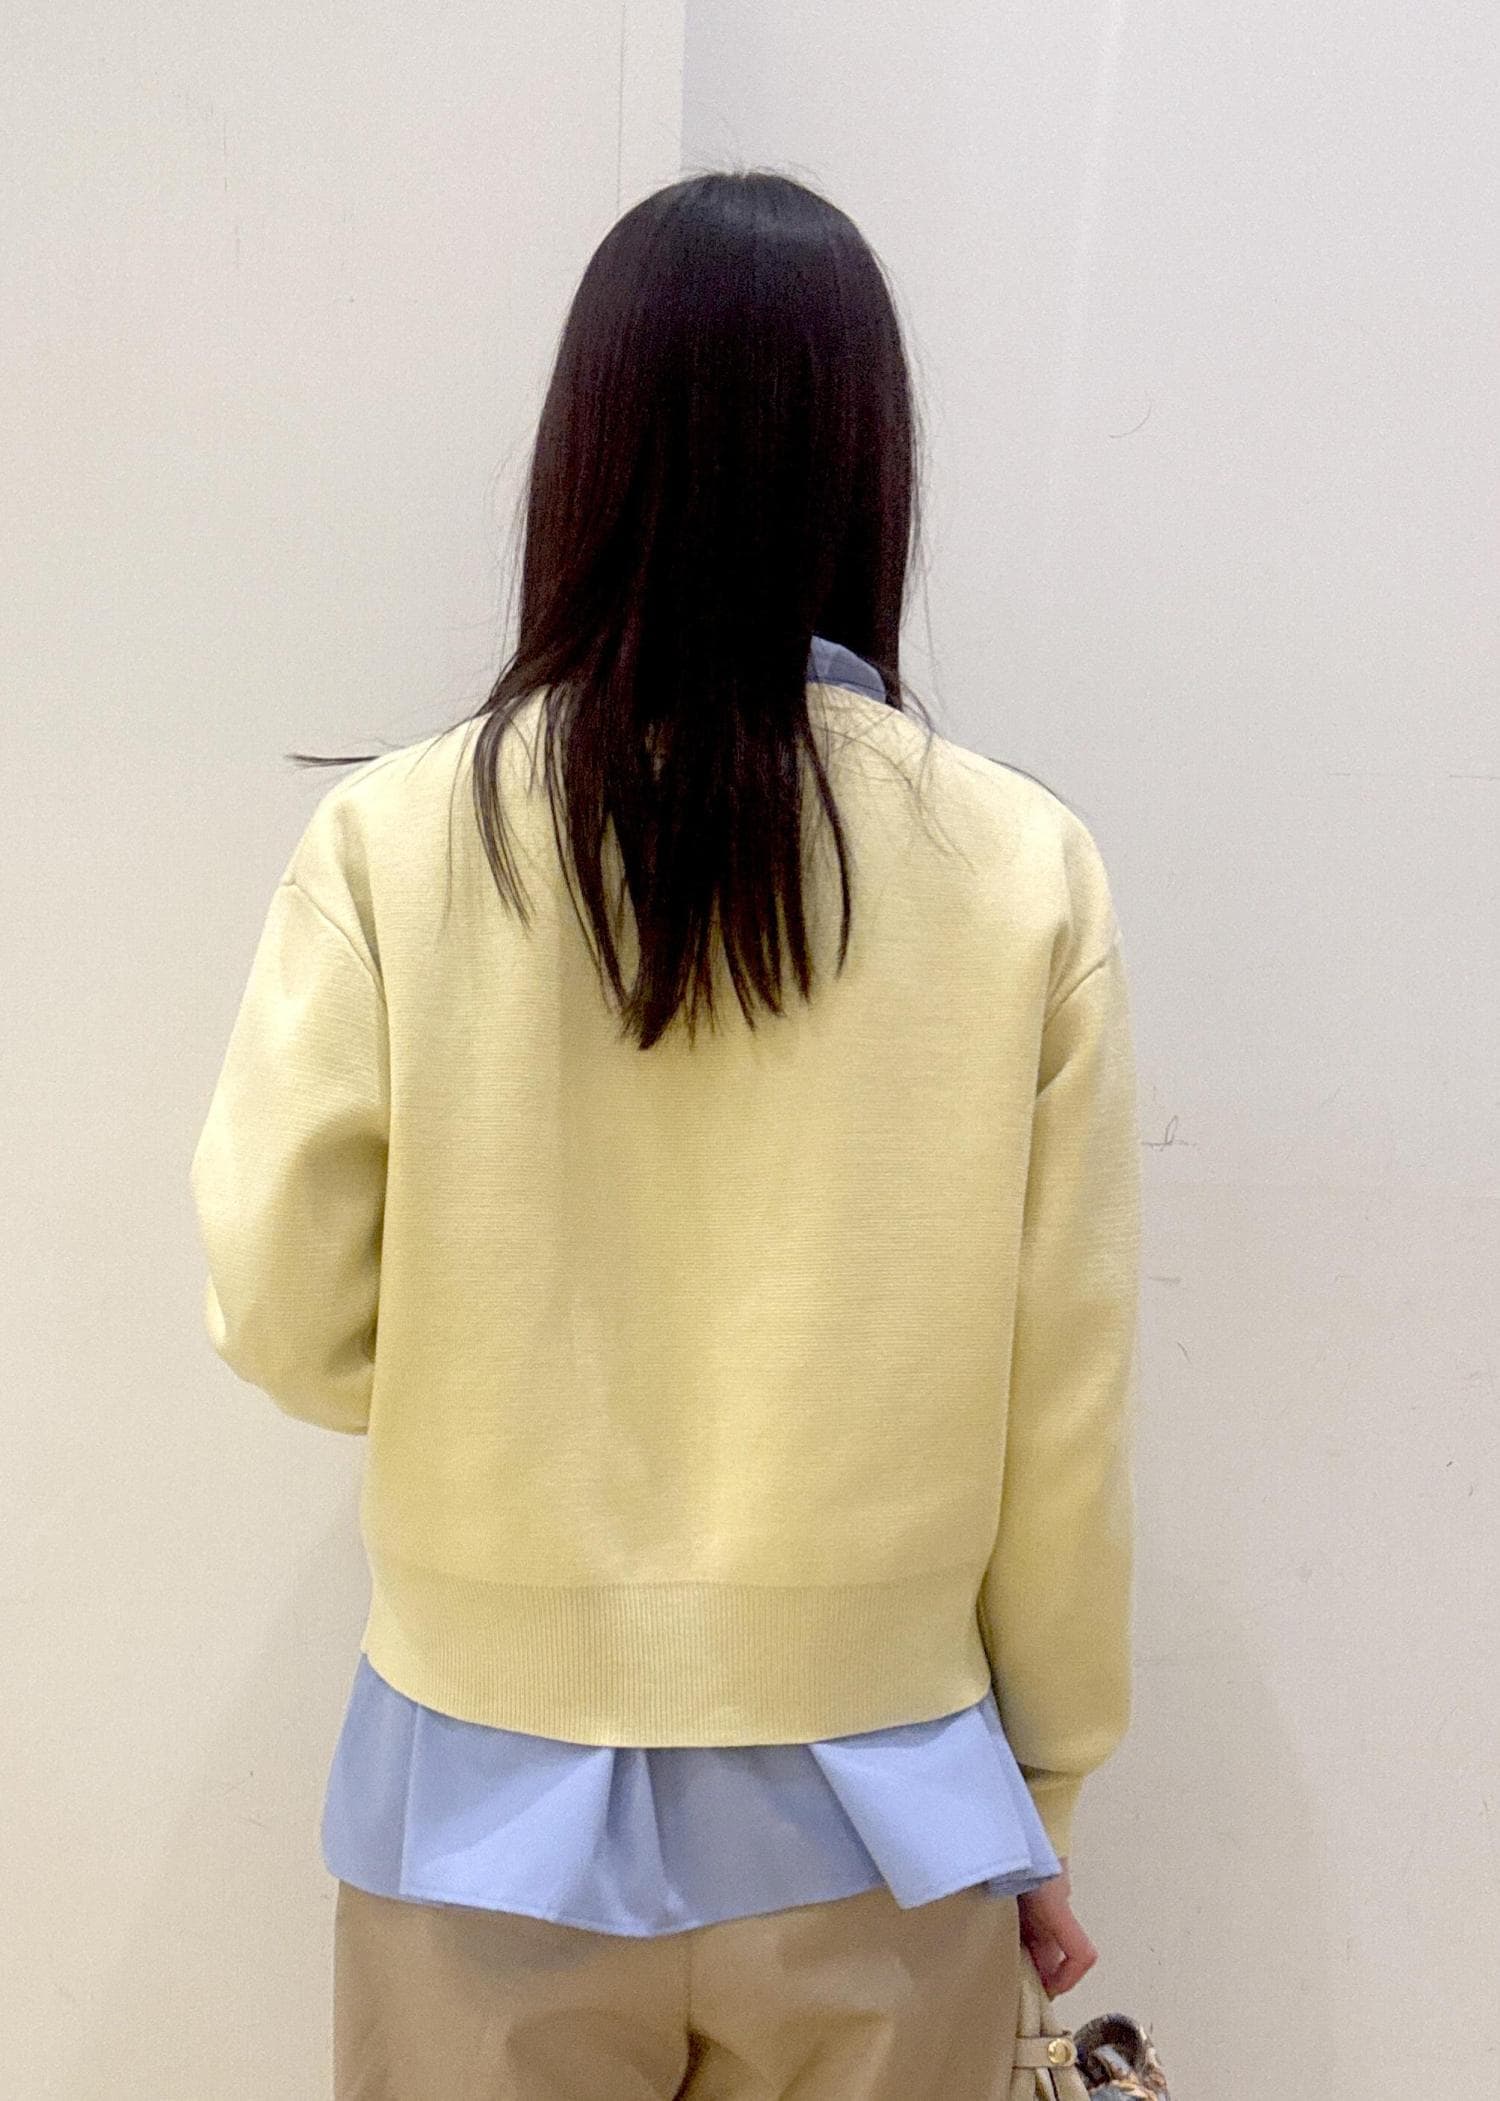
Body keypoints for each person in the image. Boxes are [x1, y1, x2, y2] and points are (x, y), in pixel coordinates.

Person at [189, 166, 1141, 2100]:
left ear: (586, 454)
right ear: (868, 471)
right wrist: (1033, 1785)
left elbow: (283, 1311)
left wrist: (493, 1404)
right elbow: (1064, 1410)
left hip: (472, 1809)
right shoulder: (1020, 869)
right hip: (885, 1820)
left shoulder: (394, 842)